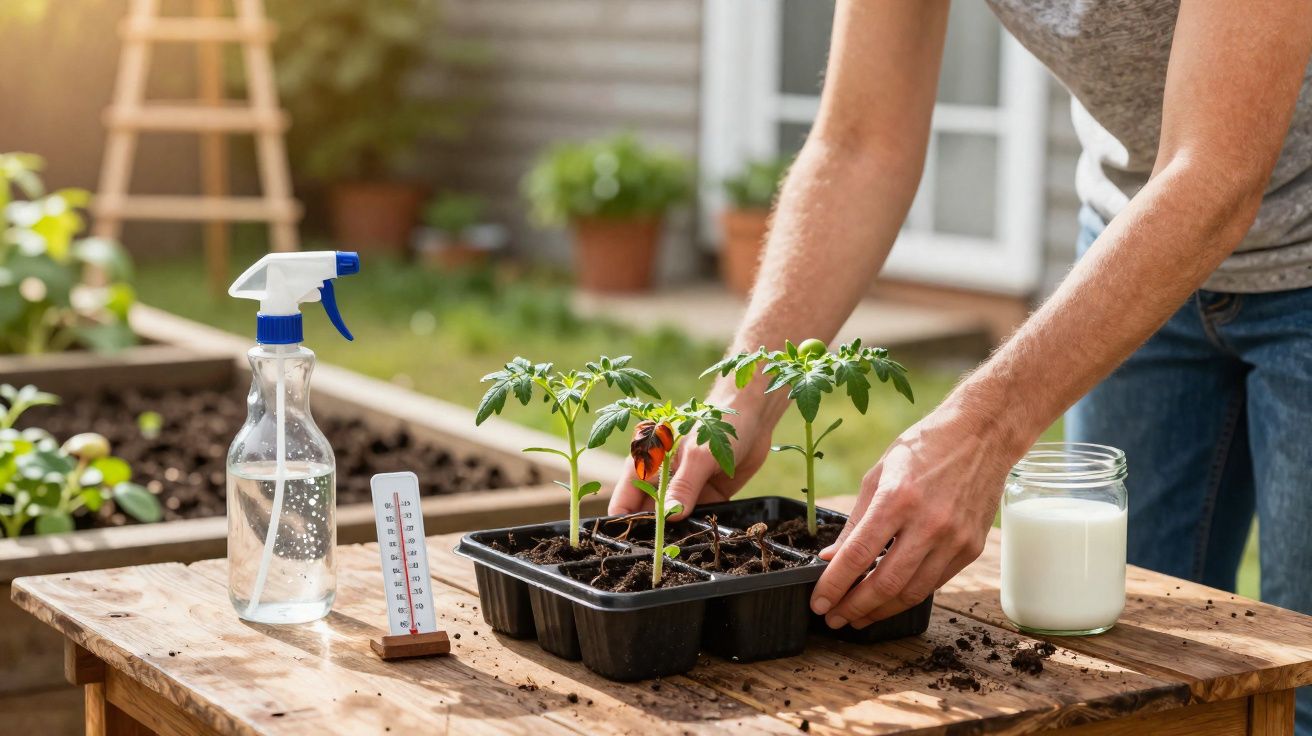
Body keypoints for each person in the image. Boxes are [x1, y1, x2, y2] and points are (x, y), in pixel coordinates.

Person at [609, 1, 1312, 731]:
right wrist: (746, 387)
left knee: (1302, 679)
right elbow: (861, 142)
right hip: (1138, 240)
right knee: (1124, 683)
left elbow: (1220, 167)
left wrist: (985, 429)